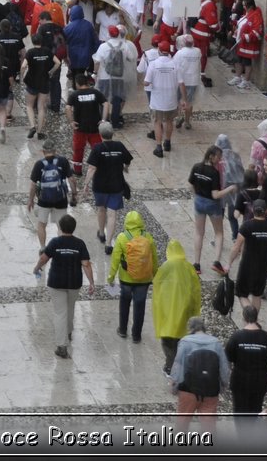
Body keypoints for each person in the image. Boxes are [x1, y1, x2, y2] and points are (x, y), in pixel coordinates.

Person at [32, 213, 95, 359]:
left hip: (56, 282)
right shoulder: (80, 244)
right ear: (74, 228)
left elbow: (43, 258)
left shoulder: (55, 242)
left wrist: (37, 268)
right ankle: (68, 332)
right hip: (74, 282)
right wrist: (91, 282)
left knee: (60, 312)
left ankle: (62, 346)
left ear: (60, 227)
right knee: (70, 308)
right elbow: (85, 264)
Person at [108, 208, 157, 343]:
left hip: (126, 278)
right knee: (139, 306)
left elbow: (115, 259)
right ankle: (136, 335)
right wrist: (155, 273)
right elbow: (154, 258)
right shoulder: (147, 236)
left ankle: (123, 330)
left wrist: (111, 277)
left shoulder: (122, 237)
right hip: (144, 279)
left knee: (124, 303)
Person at [153, 239, 200, 376]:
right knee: (182, 340)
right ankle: (182, 365)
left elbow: (157, 287)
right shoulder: (188, 267)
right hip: (184, 312)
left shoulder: (165, 267)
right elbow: (196, 290)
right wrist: (195, 310)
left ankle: (169, 365)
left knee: (168, 341)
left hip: (168, 312)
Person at [225, 198, 267, 312]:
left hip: (247, 264)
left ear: (252, 210)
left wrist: (229, 264)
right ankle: (254, 318)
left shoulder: (247, 226)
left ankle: (250, 316)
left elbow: (236, 247)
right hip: (264, 265)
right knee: (257, 294)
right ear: (266, 211)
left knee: (242, 294)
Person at [170, 317, 228, 430]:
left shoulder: (185, 342)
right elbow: (224, 367)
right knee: (209, 425)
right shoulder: (215, 343)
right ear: (204, 327)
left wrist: (174, 383)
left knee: (182, 422)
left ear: (190, 328)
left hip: (188, 389)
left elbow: (178, 363)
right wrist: (223, 385)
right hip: (210, 389)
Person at [82, 121, 131, 253]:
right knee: (112, 214)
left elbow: (92, 168)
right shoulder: (119, 146)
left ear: (100, 134)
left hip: (100, 186)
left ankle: (101, 233)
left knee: (101, 209)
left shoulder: (97, 148)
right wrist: (125, 168)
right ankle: (109, 244)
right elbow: (127, 160)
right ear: (112, 133)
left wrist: (86, 184)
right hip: (116, 185)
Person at [226, 305, 267, 416]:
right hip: (260, 380)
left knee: (239, 410)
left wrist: (225, 378)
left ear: (243, 318)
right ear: (257, 318)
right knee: (256, 408)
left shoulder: (236, 337)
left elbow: (228, 360)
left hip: (240, 380)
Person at [189, 146, 236, 273]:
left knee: (199, 233)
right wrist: (230, 188)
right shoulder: (214, 172)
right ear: (211, 156)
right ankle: (216, 262)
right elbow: (215, 195)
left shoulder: (196, 167)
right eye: (218, 157)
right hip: (212, 205)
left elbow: (191, 185)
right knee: (219, 233)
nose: (220, 159)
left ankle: (197, 264)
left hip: (199, 202)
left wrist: (197, 196)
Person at [27, 138, 74, 249]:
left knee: (42, 224)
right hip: (61, 199)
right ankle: (62, 248)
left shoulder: (39, 164)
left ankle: (43, 248)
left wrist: (31, 200)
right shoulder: (63, 161)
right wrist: (74, 194)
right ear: (55, 150)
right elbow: (72, 179)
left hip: (44, 200)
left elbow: (33, 185)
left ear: (43, 151)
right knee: (61, 226)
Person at [145, 41, 179, 157]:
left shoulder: (153, 64)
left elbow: (146, 82)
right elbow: (181, 82)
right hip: (171, 99)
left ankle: (159, 147)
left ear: (159, 51)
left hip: (157, 100)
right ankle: (168, 142)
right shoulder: (175, 64)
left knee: (157, 122)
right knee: (169, 121)